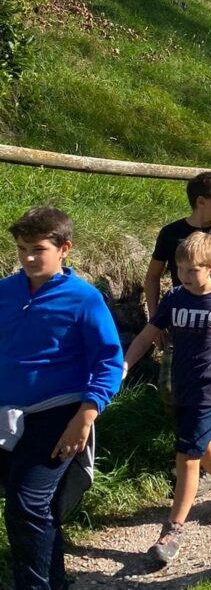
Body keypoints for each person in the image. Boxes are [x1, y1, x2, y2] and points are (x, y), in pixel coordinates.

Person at [0, 207, 123, 590]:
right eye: (21, 249)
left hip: (59, 413)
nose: (29, 258)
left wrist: (85, 417)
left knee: (27, 503)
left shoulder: (84, 299)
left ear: (65, 248)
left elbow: (108, 361)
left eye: (38, 249)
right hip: (7, 414)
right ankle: (54, 581)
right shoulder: (5, 291)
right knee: (36, 508)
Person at [123, 233, 211, 564]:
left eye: (192, 271)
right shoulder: (174, 298)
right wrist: (126, 363)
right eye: (181, 270)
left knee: (187, 455)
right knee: (202, 447)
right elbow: (147, 334)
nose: (185, 277)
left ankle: (172, 531)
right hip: (180, 386)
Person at [144, 171, 211, 490]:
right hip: (180, 324)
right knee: (169, 389)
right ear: (202, 201)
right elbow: (152, 277)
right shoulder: (172, 233)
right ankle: (195, 450)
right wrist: (155, 321)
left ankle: (196, 462)